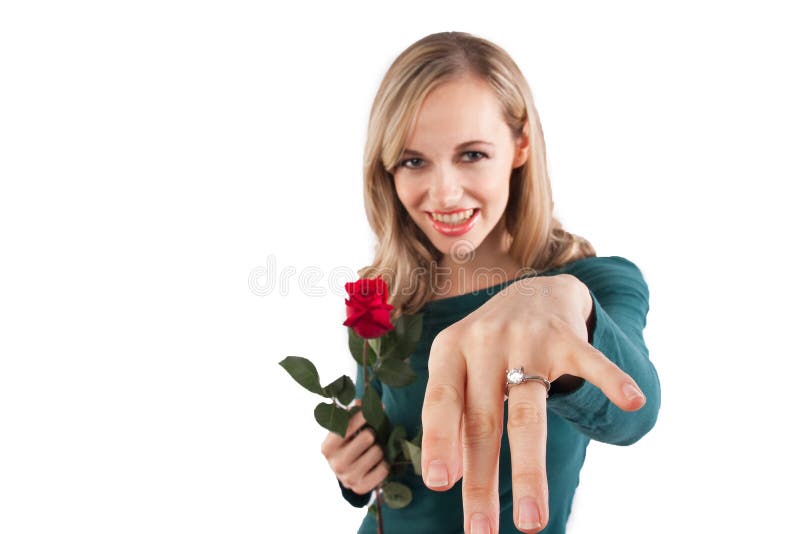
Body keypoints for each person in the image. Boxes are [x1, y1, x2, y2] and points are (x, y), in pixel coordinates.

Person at [319, 31, 661, 534]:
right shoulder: (383, 293)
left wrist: (559, 300)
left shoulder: (593, 284)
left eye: (472, 154)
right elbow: (387, 435)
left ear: (520, 144)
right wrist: (354, 467)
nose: (444, 192)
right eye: (414, 161)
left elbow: (635, 410)